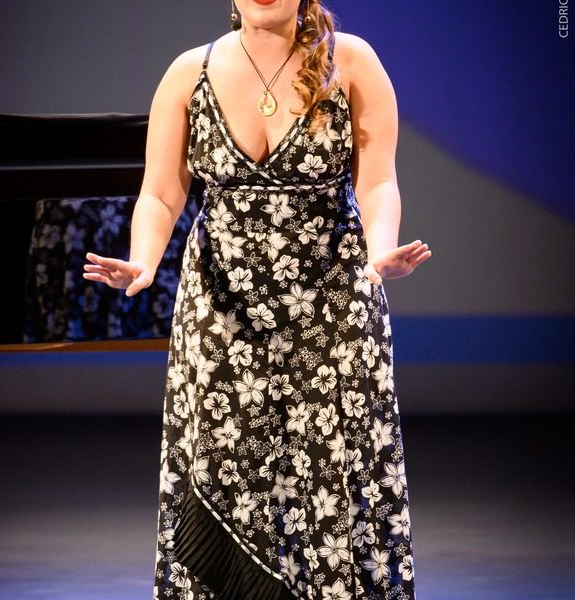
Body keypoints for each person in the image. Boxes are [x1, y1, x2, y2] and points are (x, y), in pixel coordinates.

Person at [83, 0, 431, 597]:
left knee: (330, 466)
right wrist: (143, 259)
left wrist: (380, 252)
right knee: (226, 466)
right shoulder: (188, 73)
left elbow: (377, 181)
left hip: (331, 299)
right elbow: (160, 193)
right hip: (222, 305)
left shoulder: (351, 62)